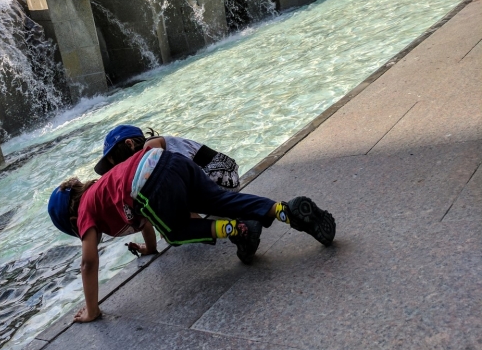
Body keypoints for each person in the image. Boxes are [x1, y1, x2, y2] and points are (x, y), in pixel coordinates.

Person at [48, 147, 336, 323]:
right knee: (220, 202)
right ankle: (284, 211)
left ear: (73, 220)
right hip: (168, 161)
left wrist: (92, 309)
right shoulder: (102, 191)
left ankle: (236, 229)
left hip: (150, 182)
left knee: (174, 233)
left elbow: (88, 263)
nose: (82, 233)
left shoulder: (85, 210)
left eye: (76, 231)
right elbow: (145, 220)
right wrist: (149, 249)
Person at [94, 124, 239, 190]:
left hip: (220, 173)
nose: (121, 166)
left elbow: (164, 175)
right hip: (222, 175)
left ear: (129, 143)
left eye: (118, 160)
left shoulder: (150, 145)